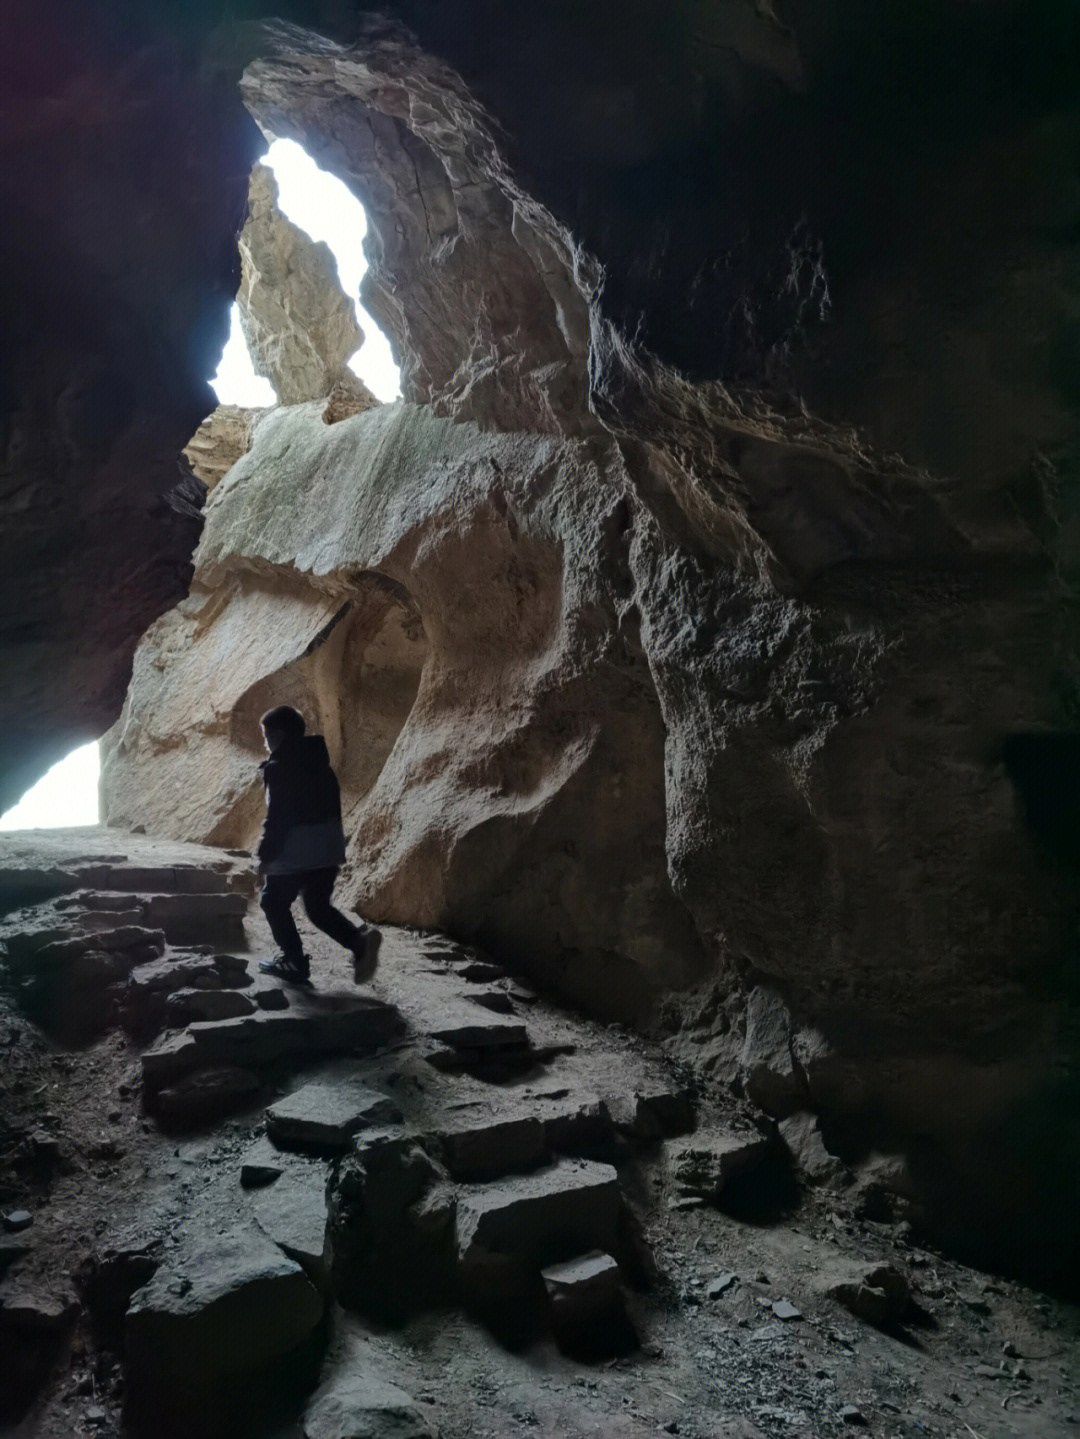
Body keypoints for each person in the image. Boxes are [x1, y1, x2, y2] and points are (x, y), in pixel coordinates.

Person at [255, 704, 377, 986]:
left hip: (297, 849)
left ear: (280, 735)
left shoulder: (279, 767)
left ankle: (293, 961)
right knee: (318, 907)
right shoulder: (319, 762)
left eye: (267, 735)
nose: (265, 741)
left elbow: (278, 817)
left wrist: (265, 855)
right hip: (328, 848)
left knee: (272, 901)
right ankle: (359, 944)